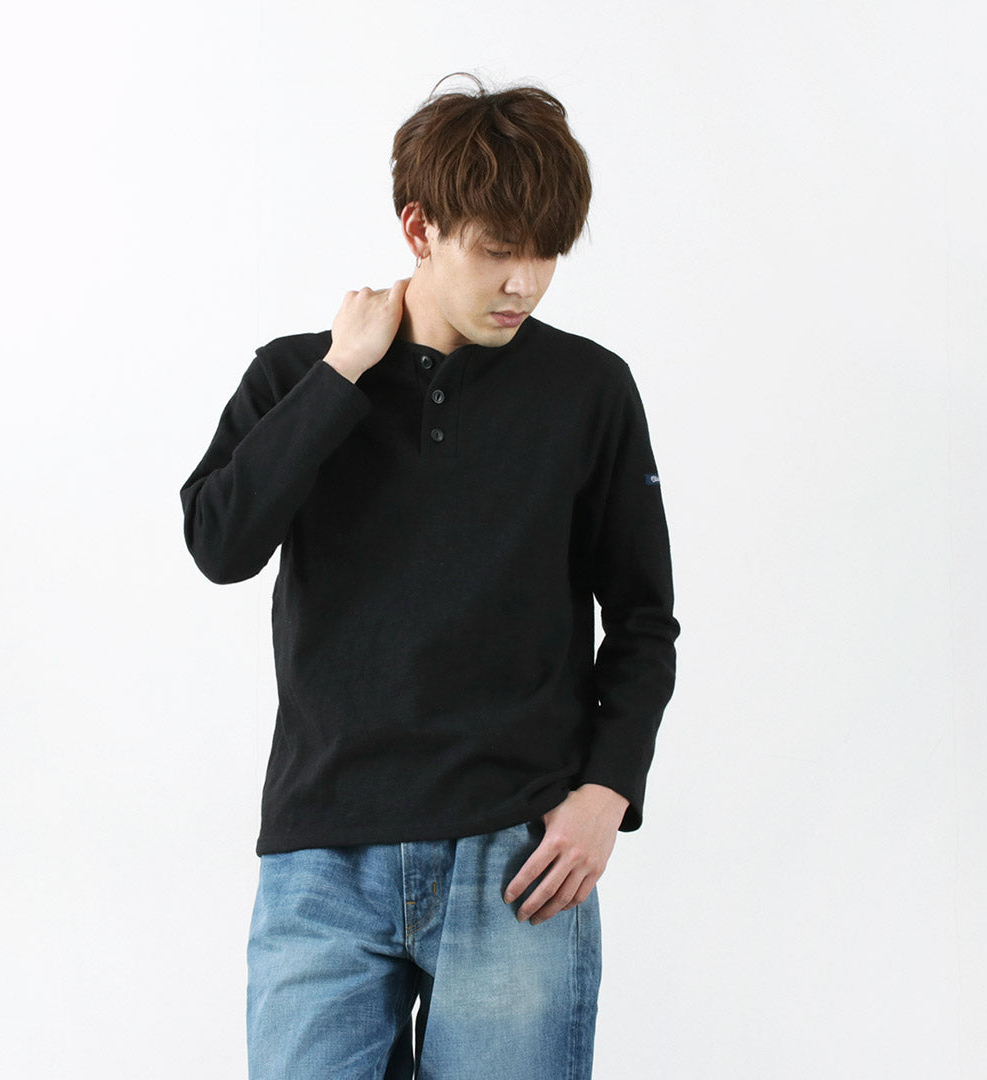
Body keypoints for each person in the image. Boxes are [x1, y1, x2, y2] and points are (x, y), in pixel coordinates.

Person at [179, 71, 679, 1080]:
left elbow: (641, 619)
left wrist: (605, 794)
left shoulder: (588, 391)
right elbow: (219, 544)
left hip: (516, 858)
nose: (524, 283)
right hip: (323, 857)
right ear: (420, 228)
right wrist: (339, 377)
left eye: (546, 254)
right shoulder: (297, 376)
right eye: (497, 250)